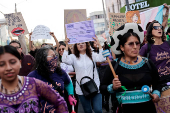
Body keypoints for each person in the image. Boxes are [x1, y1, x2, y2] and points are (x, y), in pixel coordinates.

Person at [100, 23, 160, 113]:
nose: (135, 47)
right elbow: (102, 88)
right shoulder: (114, 65)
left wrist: (156, 93)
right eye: (130, 44)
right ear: (122, 47)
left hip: (148, 109)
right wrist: (112, 87)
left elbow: (157, 84)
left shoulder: (147, 63)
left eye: (137, 43)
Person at [0, 45, 68, 113]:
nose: (8, 68)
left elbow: (60, 102)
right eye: (1, 64)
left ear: (20, 63)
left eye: (12, 62)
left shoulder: (33, 82)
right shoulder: (33, 76)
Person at [62, 36, 106, 113]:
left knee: (98, 110)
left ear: (86, 44)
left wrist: (99, 45)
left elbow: (102, 58)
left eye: (83, 43)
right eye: (78, 44)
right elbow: (64, 59)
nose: (81, 45)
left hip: (95, 86)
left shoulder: (92, 54)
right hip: (81, 89)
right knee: (87, 110)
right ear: (76, 46)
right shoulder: (73, 57)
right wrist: (66, 45)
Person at [27, 45, 76, 113]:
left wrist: (70, 95)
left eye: (55, 55)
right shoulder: (33, 76)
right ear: (43, 58)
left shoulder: (60, 72)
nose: (55, 58)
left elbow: (68, 83)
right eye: (52, 56)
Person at [139, 20, 170, 92]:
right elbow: (138, 63)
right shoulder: (146, 47)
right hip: (157, 83)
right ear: (150, 31)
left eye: (160, 27)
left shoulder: (168, 44)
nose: (159, 29)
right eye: (156, 27)